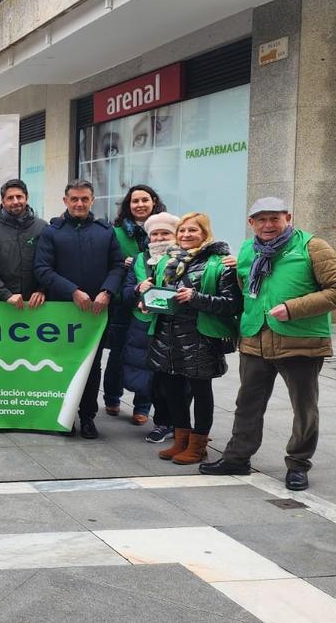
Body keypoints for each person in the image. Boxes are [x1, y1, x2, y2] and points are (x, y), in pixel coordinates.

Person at [201, 198, 336, 490]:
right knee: (247, 403)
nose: (268, 225)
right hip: (255, 338)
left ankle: (298, 464)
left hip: (300, 340)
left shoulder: (313, 247)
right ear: (251, 223)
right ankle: (237, 458)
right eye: (261, 220)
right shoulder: (247, 249)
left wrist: (292, 307)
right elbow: (244, 289)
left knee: (304, 408)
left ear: (288, 217)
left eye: (274, 218)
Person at [138, 212, 241, 464]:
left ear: (205, 234)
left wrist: (196, 298)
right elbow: (158, 294)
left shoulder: (219, 263)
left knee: (201, 391)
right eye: (182, 230)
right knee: (172, 391)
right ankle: (181, 440)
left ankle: (198, 445)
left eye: (192, 231)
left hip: (200, 337)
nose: (186, 235)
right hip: (167, 335)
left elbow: (232, 304)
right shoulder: (165, 261)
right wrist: (147, 302)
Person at [34, 179, 125, 439]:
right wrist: (72, 290)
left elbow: (118, 266)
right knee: (61, 364)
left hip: (96, 311)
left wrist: (107, 291)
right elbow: (42, 269)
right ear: (65, 201)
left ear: (92, 200)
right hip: (62, 311)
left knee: (92, 366)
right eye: (74, 199)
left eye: (84, 199)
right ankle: (63, 417)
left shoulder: (105, 231)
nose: (79, 203)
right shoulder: (52, 231)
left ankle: (87, 417)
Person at [105, 185, 167, 422]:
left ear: (153, 201)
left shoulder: (166, 228)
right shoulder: (117, 233)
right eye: (134, 201)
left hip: (155, 307)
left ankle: (143, 406)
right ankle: (112, 397)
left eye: (144, 200)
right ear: (127, 206)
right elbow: (110, 261)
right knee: (118, 352)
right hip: (124, 300)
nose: (139, 205)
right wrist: (124, 264)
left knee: (148, 355)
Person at [121, 212, 181, 444]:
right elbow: (124, 293)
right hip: (144, 326)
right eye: (154, 234)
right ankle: (162, 423)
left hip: (174, 327)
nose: (159, 238)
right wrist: (138, 290)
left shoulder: (184, 258)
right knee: (152, 379)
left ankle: (180, 423)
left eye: (165, 233)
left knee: (176, 380)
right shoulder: (138, 260)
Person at [0, 179, 47, 310]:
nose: (15, 201)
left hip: (37, 305)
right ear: (3, 202)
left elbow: (49, 263)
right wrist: (6, 295)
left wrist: (42, 290)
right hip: (1, 304)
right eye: (10, 198)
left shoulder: (42, 227)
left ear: (26, 198)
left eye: (19, 197)